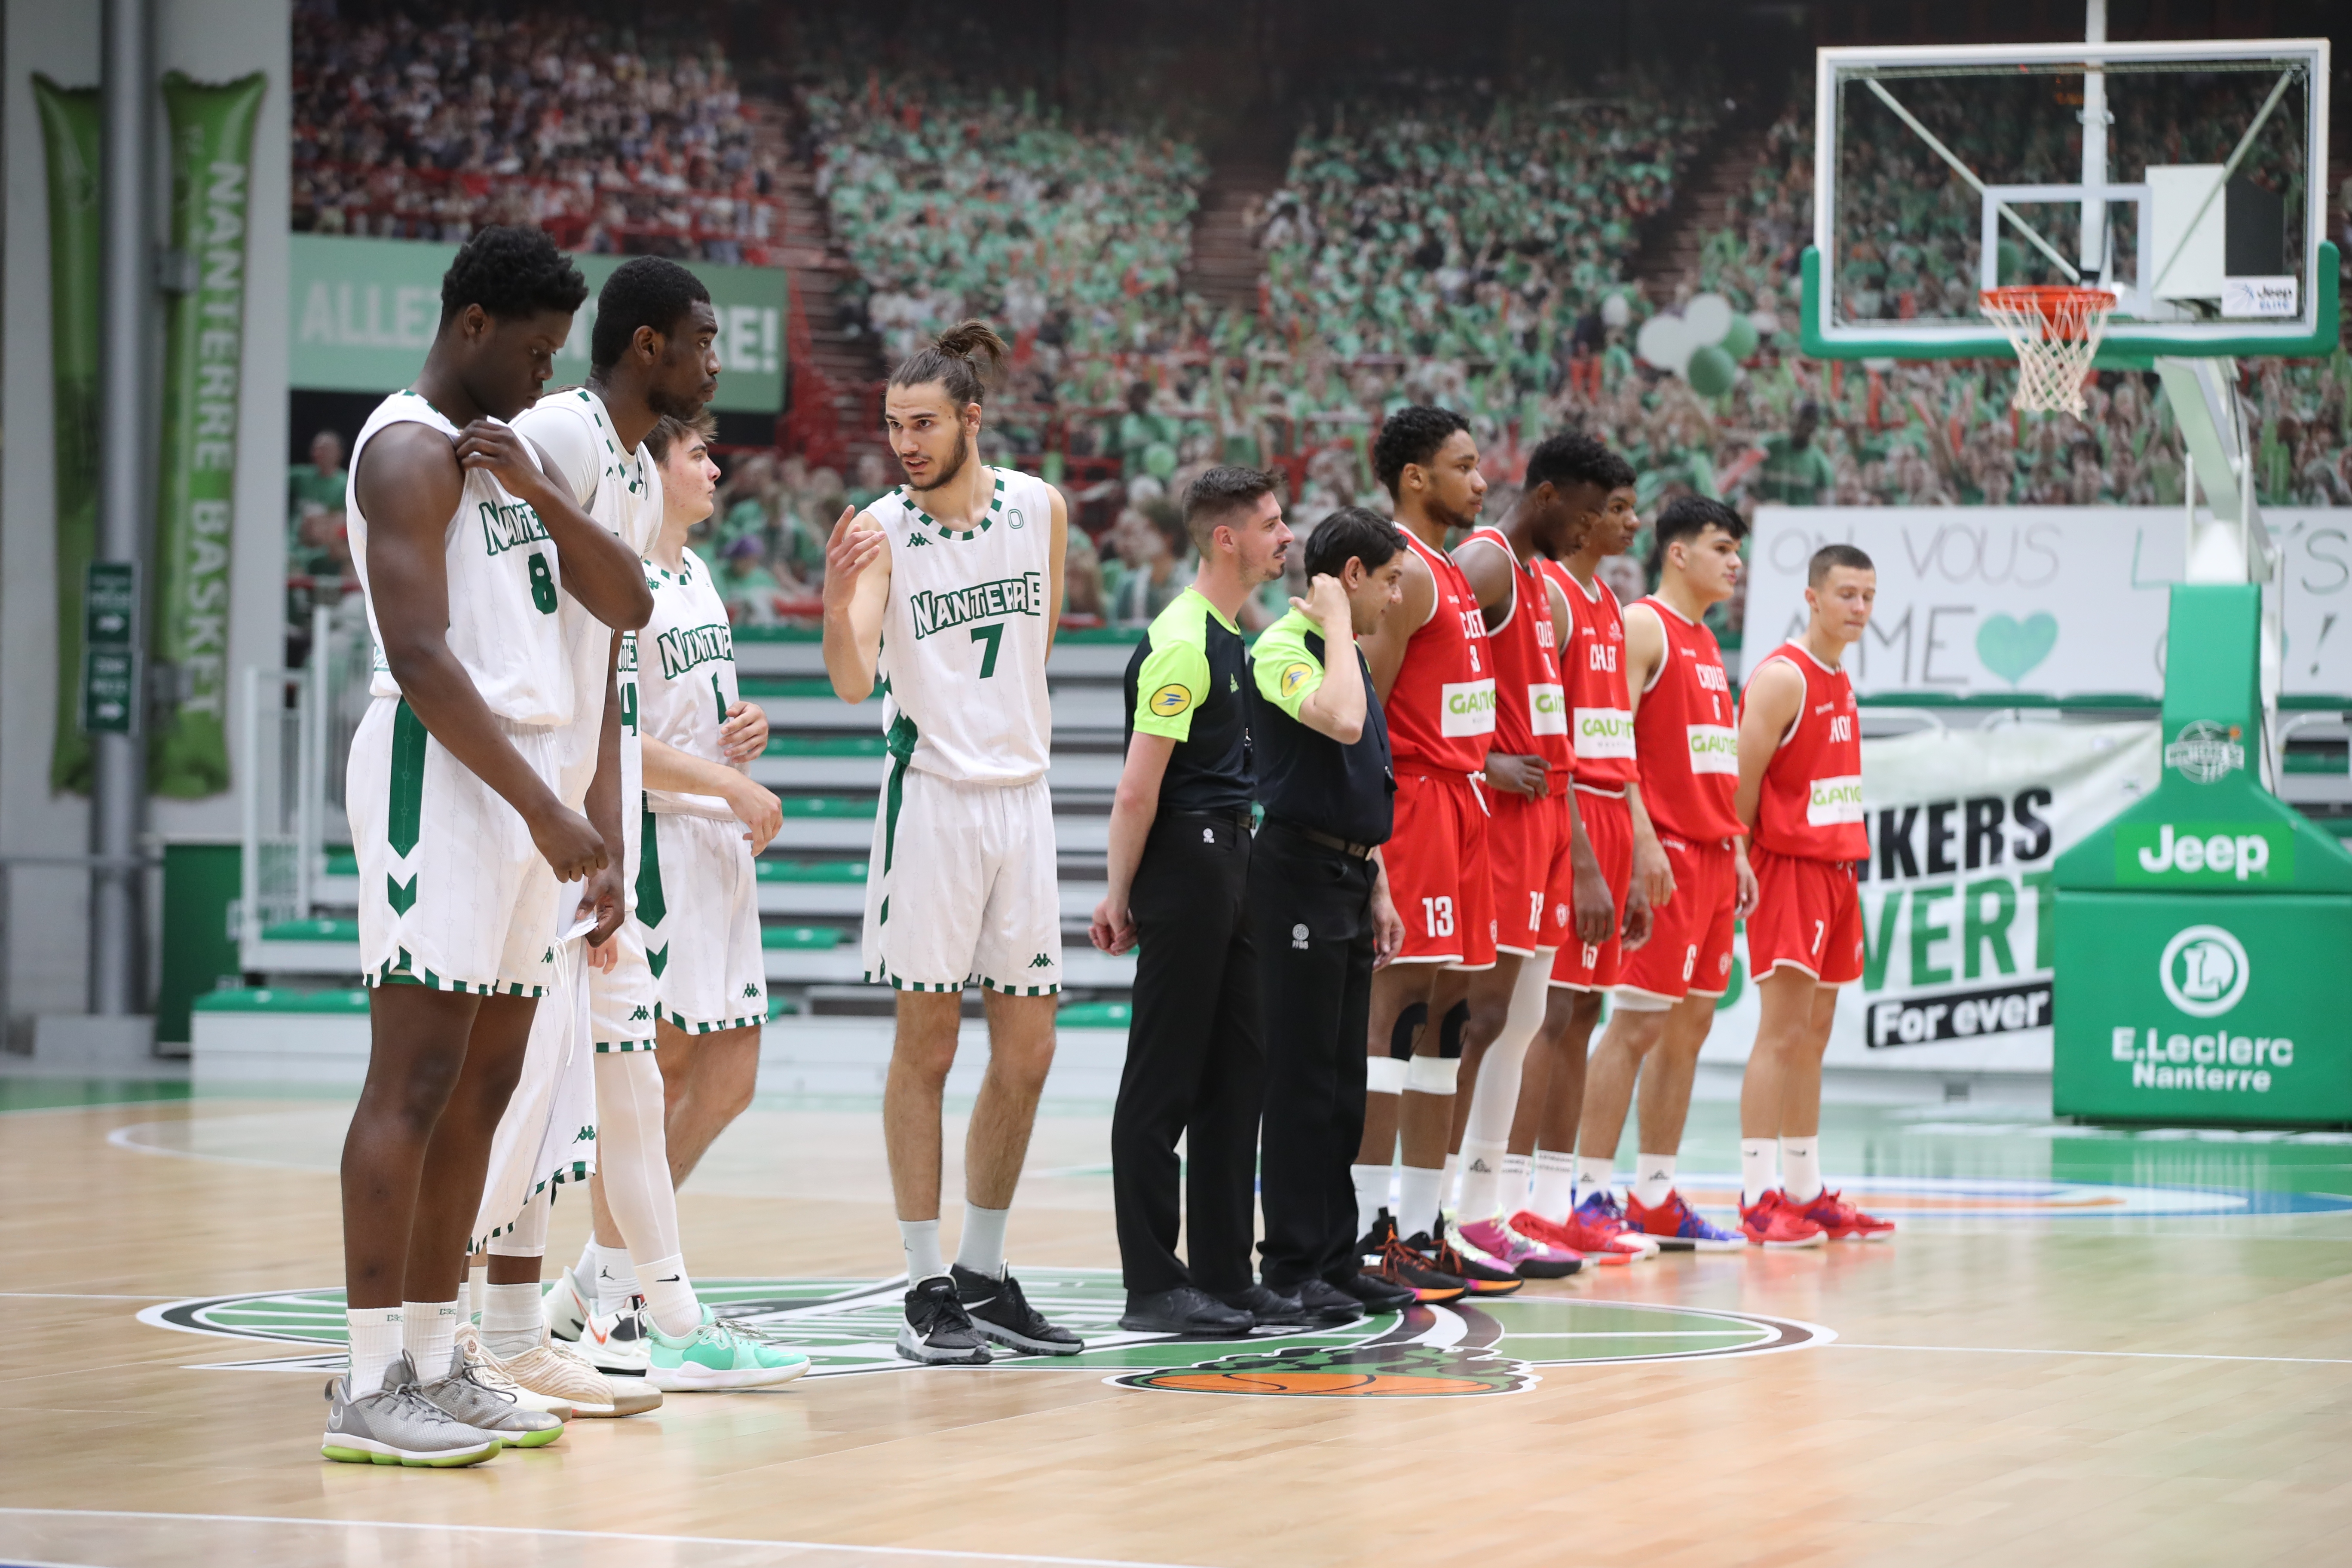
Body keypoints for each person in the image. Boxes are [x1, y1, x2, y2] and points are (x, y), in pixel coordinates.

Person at [330, 226, 647, 1467]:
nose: (542, 376)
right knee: (411, 1082)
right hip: (444, 780)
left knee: (487, 1086)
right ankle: (366, 1385)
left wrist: (538, 487)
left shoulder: (506, 461)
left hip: (517, 788)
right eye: (530, 351)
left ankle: (434, 1357)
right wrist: (543, 805)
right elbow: (419, 661)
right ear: (471, 329)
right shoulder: (407, 451)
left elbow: (627, 602)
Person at [479, 257, 803, 1398]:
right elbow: (596, 696)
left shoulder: (678, 548)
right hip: (605, 828)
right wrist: (710, 793)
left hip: (650, 837)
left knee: (669, 1081)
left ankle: (611, 1305)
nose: (712, 454)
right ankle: (545, 1314)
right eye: (699, 447)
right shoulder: (573, 450)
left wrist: (727, 747)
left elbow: (644, 697)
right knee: (578, 1085)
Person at [821, 320, 1084, 1366]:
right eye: (894, 426)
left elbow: (1041, 637)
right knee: (926, 1049)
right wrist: (843, 603)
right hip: (930, 802)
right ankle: (925, 1285)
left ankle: (984, 1272)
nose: (906, 443)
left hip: (1023, 800)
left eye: (923, 423)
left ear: (972, 419)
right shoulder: (881, 530)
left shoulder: (1040, 508)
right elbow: (851, 680)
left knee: (1030, 1051)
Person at [1090, 467, 1293, 1335]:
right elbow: (1139, 789)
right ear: (1227, 539)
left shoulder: (1231, 634)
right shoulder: (1181, 641)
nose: (1287, 538)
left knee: (1238, 1074)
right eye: (1273, 525)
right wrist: (1118, 890)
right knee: (1163, 1081)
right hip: (1189, 860)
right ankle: (1152, 1282)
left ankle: (1222, 1270)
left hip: (1232, 860)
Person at [1345, 405, 1516, 1302]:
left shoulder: (1455, 573)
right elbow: (1362, 705)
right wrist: (1371, 834)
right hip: (1413, 805)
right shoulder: (1402, 575)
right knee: (1396, 1021)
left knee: (1448, 1021)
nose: (1481, 480)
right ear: (1416, 478)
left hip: (1466, 803)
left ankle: (1421, 1224)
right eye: (1464, 465)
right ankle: (1372, 1230)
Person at [1440, 435, 1620, 1277]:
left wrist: (1580, 852)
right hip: (1501, 825)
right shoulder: (1484, 564)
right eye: (1586, 512)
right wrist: (1482, 762)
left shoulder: (1545, 582)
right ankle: (1439, 1212)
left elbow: (1554, 730)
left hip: (1548, 823)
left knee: (1518, 1027)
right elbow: (1408, 684)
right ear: (1548, 496)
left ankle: (1488, 1211)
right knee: (1480, 1023)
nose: (1593, 529)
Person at [1569, 495, 1752, 1253]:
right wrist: (1643, 842)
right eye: (1721, 547)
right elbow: (1613, 748)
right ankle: (1584, 1190)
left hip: (1713, 854)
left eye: (1738, 550)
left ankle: (1655, 1194)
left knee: (1691, 1028)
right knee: (1637, 1024)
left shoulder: (1707, 642)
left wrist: (1737, 847)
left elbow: (1710, 760)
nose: (1735, 562)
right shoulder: (1644, 625)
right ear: (1678, 553)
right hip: (1666, 853)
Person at [1247, 508, 1414, 1321]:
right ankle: (1288, 1266)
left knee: (1344, 1086)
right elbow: (1341, 724)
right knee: (1302, 1083)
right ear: (1350, 577)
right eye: (1386, 581)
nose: (1395, 596)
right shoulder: (1283, 647)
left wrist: (1378, 883)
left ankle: (1335, 1257)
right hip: (1295, 878)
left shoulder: (1349, 656)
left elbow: (1363, 774)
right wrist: (1342, 629)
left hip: (1346, 876)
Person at [1504, 442, 1659, 1264]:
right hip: (1565, 817)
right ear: (1584, 514)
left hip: (1607, 815)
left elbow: (1613, 736)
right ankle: (1517, 1199)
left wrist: (1631, 848)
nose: (1630, 523)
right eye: (1620, 511)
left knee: (1584, 1013)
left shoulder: (1605, 600)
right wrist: (1588, 861)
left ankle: (1558, 1199)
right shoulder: (1553, 595)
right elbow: (1548, 739)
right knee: (1547, 1011)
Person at [1733, 544, 1896, 1245]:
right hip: (1788, 871)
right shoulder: (1782, 677)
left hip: (1837, 871)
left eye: (1868, 596)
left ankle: (1804, 1188)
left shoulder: (1839, 675)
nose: (1859, 609)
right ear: (1813, 597)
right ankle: (1755, 1194)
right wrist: (1735, 862)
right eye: (1847, 595)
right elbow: (1739, 788)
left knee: (1815, 1036)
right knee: (1779, 1033)